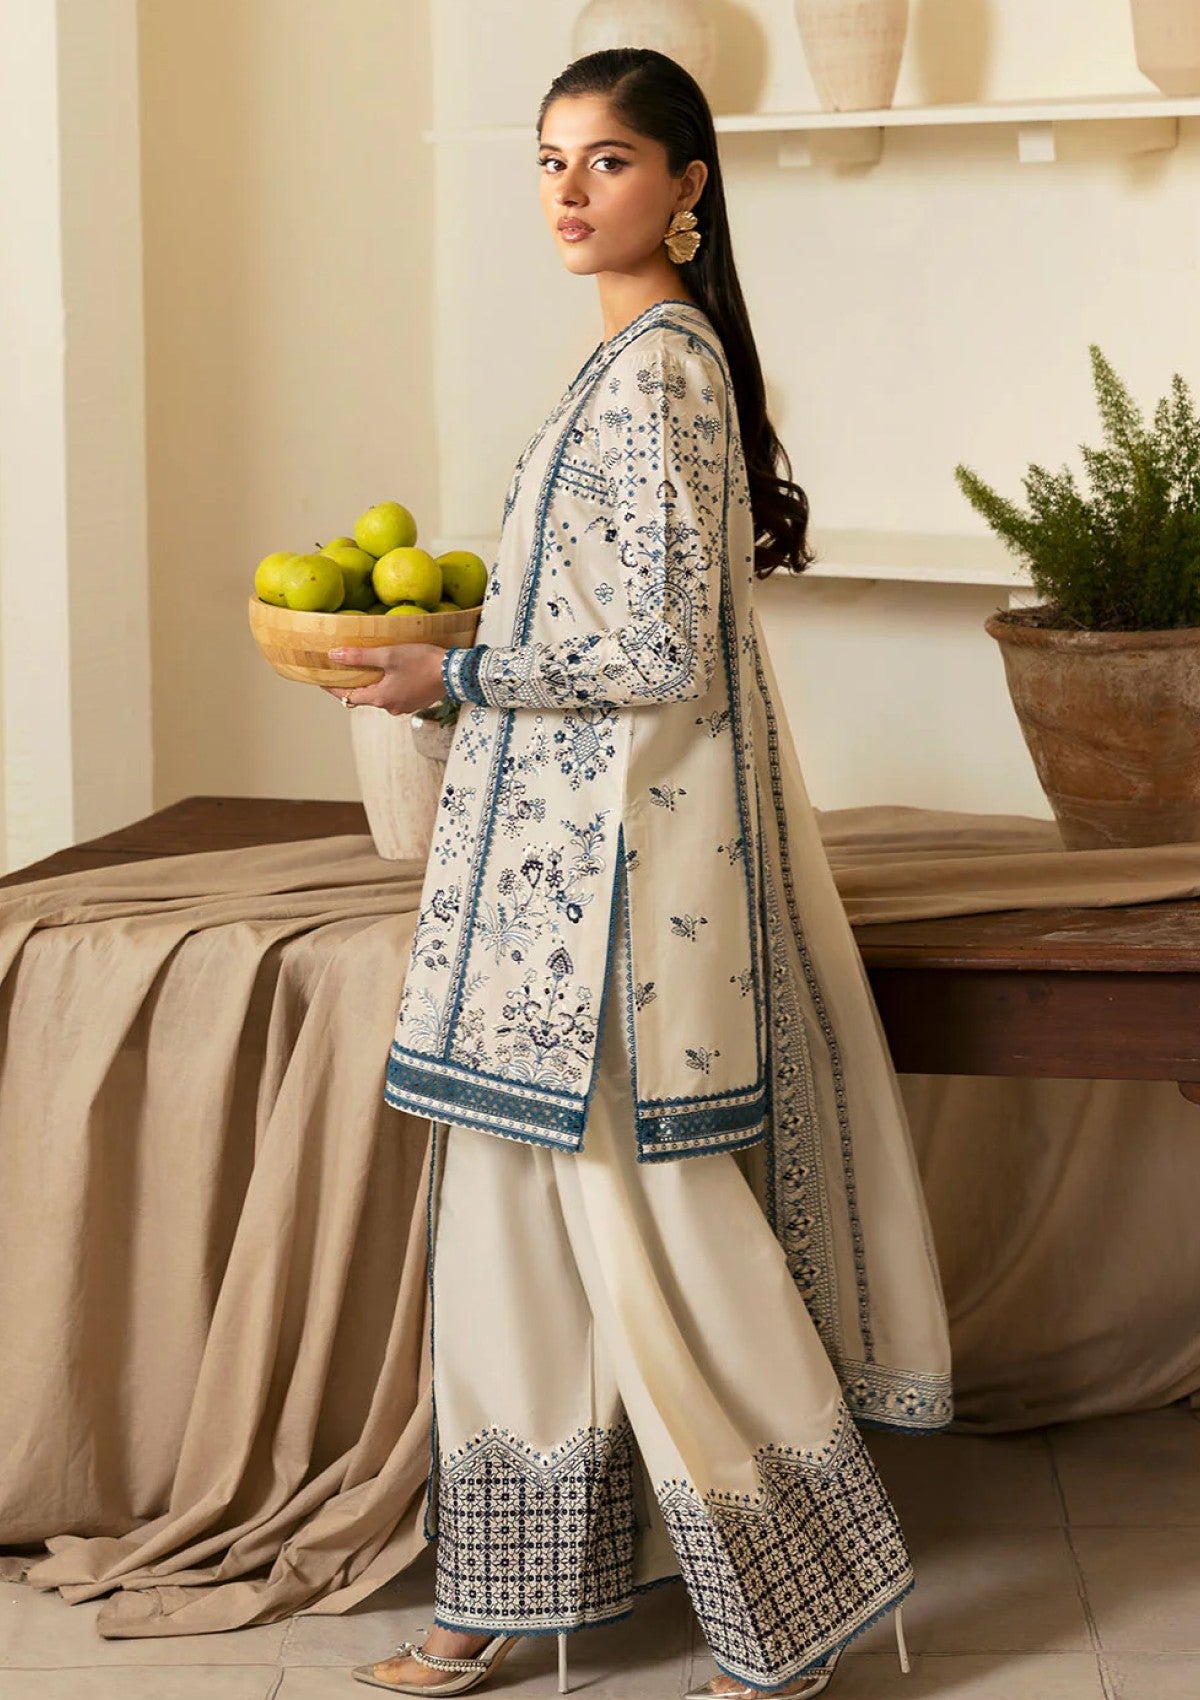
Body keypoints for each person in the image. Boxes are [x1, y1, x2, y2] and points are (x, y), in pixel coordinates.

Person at [323, 46, 953, 1700]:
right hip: (538, 891)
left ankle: (797, 1598)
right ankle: (493, 1597)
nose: (568, 190)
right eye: (549, 160)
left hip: (611, 901)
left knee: (655, 1230)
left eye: (606, 160)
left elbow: (659, 651)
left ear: (686, 188)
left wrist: (456, 674)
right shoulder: (617, 368)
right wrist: (452, 671)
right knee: (517, 1236)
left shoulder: (663, 371)